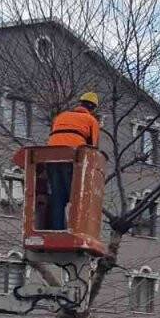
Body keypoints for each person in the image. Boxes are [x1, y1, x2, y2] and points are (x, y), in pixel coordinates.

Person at [43, 92, 101, 230]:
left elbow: (56, 135)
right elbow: (92, 147)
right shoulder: (91, 120)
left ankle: (57, 229)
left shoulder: (61, 116)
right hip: (72, 158)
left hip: (51, 157)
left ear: (79, 103)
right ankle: (76, 229)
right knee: (76, 195)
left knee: (57, 196)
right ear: (93, 108)